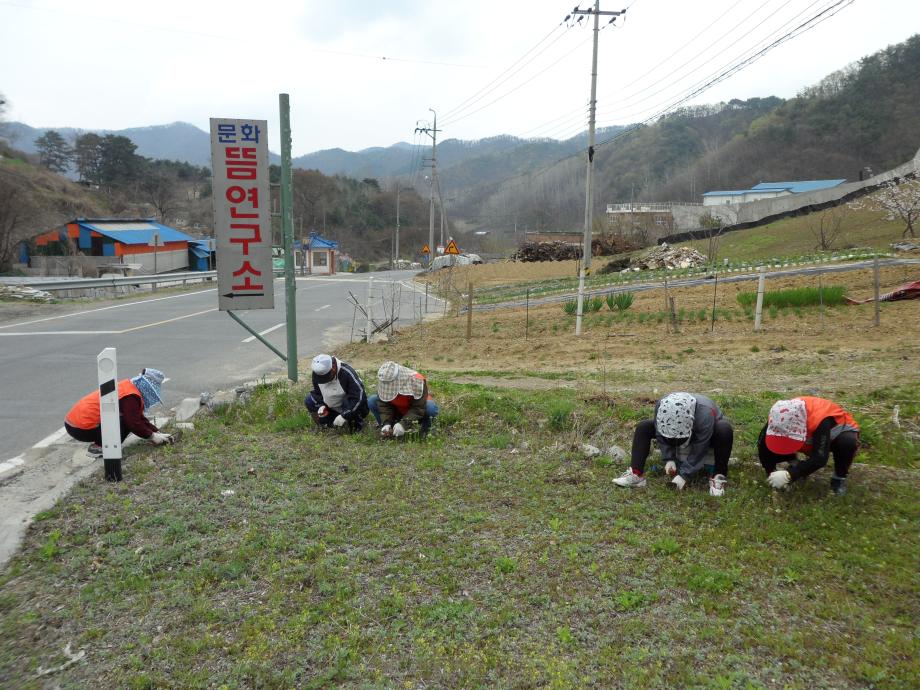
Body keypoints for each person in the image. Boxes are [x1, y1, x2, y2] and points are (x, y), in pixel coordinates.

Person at [613, 392, 733, 496]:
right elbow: (659, 430)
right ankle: (636, 474)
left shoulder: (705, 413)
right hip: (683, 433)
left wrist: (684, 475)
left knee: (724, 429)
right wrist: (669, 458)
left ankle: (718, 476)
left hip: (708, 437)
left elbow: (701, 446)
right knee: (644, 427)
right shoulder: (662, 404)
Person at [759, 396, 860, 496]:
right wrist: (770, 472)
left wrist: (790, 475)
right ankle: (794, 462)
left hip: (835, 433)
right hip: (808, 433)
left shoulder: (820, 420)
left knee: (847, 443)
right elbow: (763, 445)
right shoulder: (778, 416)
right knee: (774, 441)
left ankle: (838, 479)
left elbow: (820, 458)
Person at [64, 368, 172, 455]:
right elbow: (133, 423)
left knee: (127, 418)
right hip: (82, 427)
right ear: (147, 387)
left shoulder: (127, 387)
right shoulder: (130, 396)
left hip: (73, 423)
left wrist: (157, 432)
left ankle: (100, 444)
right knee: (126, 421)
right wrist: (152, 436)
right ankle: (101, 446)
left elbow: (139, 417)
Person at [368, 361, 438, 438]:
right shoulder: (385, 379)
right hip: (397, 411)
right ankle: (388, 430)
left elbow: (418, 408)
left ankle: (425, 431)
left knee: (430, 407)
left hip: (418, 413)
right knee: (372, 400)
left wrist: (403, 424)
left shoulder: (417, 380)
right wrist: (386, 423)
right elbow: (384, 404)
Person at [304, 354, 368, 431]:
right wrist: (322, 405)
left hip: (349, 408)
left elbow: (359, 397)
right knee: (309, 400)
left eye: (326, 377)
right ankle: (325, 426)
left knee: (347, 401)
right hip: (331, 406)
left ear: (333, 368)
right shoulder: (317, 373)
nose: (324, 381)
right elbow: (318, 392)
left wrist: (345, 415)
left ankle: (355, 426)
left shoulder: (346, 373)